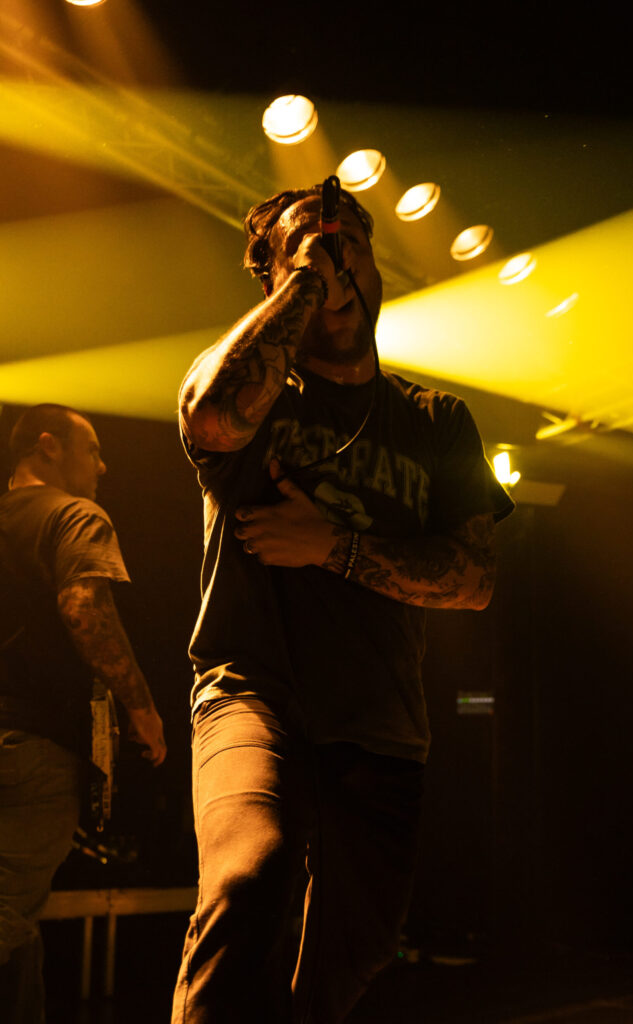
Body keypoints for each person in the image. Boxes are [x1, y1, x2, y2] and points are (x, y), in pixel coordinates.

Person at [172, 183, 514, 1024]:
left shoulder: (436, 420)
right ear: (272, 280)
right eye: (309, 249)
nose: (336, 260)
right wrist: (303, 279)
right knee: (247, 878)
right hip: (252, 693)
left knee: (352, 953)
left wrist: (332, 544)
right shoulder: (256, 395)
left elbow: (473, 580)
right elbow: (210, 418)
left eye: (350, 245)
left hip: (379, 719)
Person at [0, 403, 167, 1024]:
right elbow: (83, 608)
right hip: (34, 750)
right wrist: (142, 708)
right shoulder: (74, 515)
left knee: (22, 924)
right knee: (7, 915)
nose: (103, 465)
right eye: (91, 449)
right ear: (48, 446)